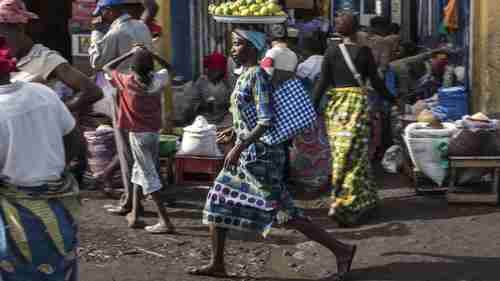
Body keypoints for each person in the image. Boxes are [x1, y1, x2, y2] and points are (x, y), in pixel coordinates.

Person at [188, 29, 357, 281]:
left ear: (253, 48)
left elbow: (266, 120)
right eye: (233, 44)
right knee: (217, 204)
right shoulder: (245, 74)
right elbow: (250, 117)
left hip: (261, 157)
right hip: (248, 154)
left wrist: (238, 147)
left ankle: (342, 250)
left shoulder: (257, 76)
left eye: (238, 44)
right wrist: (233, 131)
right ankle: (218, 263)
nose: (232, 49)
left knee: (284, 213)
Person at [0, 36, 82, 281]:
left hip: (17, 216)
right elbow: (74, 138)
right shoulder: (42, 93)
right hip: (59, 204)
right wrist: (58, 168)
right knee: (58, 267)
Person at [0, 0, 103, 184]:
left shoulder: (45, 59)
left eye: (2, 34)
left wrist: (58, 111)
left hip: (42, 148)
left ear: (19, 30)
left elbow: (91, 91)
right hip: (13, 149)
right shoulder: (6, 62)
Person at [312, 12, 396, 227]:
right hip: (358, 108)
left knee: (340, 156)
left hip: (336, 111)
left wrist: (308, 110)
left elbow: (321, 84)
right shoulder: (364, 52)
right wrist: (393, 99)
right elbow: (376, 82)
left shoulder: (331, 52)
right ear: (357, 29)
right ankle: (349, 203)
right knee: (357, 158)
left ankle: (352, 201)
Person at [89, 0, 153, 217]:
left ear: (109, 11)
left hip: (124, 91)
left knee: (126, 149)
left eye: (103, 12)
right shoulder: (141, 26)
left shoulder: (115, 32)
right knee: (136, 148)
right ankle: (135, 198)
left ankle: (130, 201)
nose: (102, 17)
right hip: (144, 90)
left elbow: (96, 61)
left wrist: (96, 33)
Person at [103, 45, 174, 232]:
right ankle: (134, 214)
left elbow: (107, 67)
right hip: (153, 134)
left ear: (132, 68)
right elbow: (170, 68)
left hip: (138, 136)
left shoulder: (127, 81)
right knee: (138, 170)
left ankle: (165, 221)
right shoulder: (157, 80)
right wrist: (152, 54)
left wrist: (129, 52)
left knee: (149, 176)